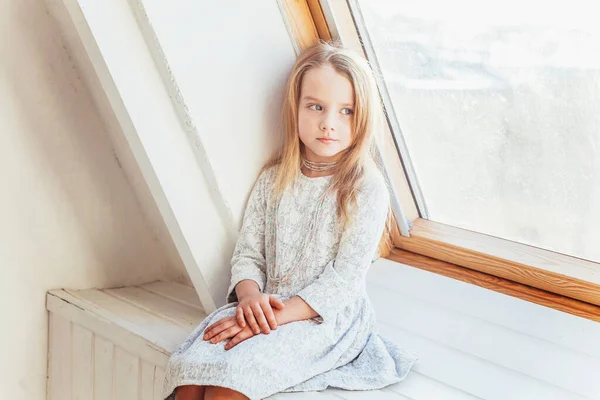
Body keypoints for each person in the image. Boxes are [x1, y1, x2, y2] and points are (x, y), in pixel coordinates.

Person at [162, 39, 418, 400]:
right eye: (316, 106)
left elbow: (343, 282)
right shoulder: (274, 179)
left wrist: (271, 320)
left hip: (325, 318)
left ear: (363, 117)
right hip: (264, 306)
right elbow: (249, 254)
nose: (329, 123)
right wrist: (250, 299)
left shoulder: (366, 187)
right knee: (189, 376)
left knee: (230, 383)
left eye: (346, 111)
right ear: (295, 107)